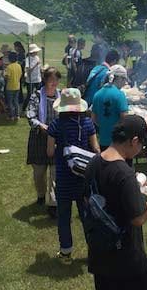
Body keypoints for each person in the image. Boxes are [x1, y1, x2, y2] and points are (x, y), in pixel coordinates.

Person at [85, 115, 147, 289]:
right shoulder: (124, 173)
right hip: (125, 259)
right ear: (134, 141)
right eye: (142, 144)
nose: (141, 149)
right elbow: (138, 218)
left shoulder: (94, 161)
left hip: (100, 252)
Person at [47, 88, 100, 262]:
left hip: (63, 177)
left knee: (64, 216)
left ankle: (66, 252)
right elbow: (96, 148)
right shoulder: (87, 123)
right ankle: (94, 251)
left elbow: (49, 152)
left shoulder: (55, 125)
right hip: (84, 176)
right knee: (86, 215)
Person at [26, 67, 61, 216]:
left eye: (56, 80)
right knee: (39, 173)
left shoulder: (61, 96)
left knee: (55, 173)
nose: (54, 82)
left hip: (57, 139)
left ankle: (53, 204)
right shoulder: (36, 96)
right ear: (45, 80)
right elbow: (30, 115)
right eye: (51, 79)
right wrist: (41, 126)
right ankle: (41, 195)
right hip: (39, 138)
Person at [92, 65, 129, 150]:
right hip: (117, 141)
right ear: (119, 78)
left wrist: (104, 125)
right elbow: (125, 118)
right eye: (124, 79)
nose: (125, 83)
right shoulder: (120, 94)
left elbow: (93, 118)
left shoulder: (97, 94)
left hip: (103, 140)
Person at [23, 43, 43, 113]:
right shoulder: (28, 59)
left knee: (39, 93)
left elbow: (39, 67)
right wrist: (36, 65)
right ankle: (24, 108)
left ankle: (39, 107)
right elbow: (28, 70)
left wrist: (41, 69)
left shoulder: (37, 58)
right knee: (29, 95)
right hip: (30, 79)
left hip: (37, 78)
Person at [4, 52, 23, 122]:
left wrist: (4, 75)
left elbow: (7, 77)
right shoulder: (19, 66)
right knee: (16, 101)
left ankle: (11, 116)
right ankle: (17, 115)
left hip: (10, 86)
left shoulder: (9, 67)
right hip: (17, 86)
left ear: (9, 59)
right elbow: (21, 74)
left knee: (10, 102)